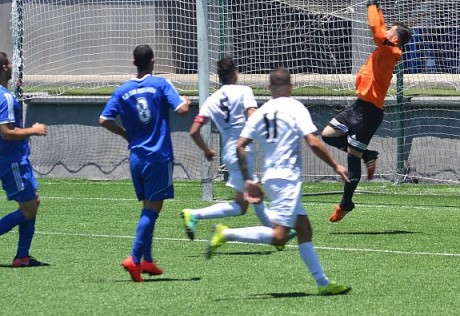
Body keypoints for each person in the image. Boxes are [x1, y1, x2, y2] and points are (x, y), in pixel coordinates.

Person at [205, 67, 352, 296]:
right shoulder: (295, 107)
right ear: (291, 86)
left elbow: (239, 145)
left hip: (272, 178)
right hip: (287, 179)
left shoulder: (262, 112)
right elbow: (313, 142)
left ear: (269, 87)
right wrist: (336, 165)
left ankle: (324, 283)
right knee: (279, 236)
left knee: (304, 229)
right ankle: (227, 233)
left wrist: (248, 180)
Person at [321, 0, 412, 222]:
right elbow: (379, 25)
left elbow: (375, 28)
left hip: (369, 113)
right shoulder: (387, 46)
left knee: (352, 158)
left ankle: (345, 203)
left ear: (395, 38)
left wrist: (372, 1)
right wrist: (377, 3)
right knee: (327, 135)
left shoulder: (392, 51)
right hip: (358, 106)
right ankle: (368, 154)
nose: (387, 29)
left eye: (391, 29)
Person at [99, 44, 190, 282]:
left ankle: (147, 261)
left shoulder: (122, 90)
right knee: (153, 209)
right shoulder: (160, 84)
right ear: (152, 61)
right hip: (158, 156)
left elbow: (103, 119)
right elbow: (181, 109)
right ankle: (134, 258)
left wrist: (124, 133)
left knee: (147, 208)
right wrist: (187, 102)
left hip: (136, 158)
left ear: (134, 63)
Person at [183, 56, 278, 240]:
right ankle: (279, 234)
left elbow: (194, 130)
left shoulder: (212, 99)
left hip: (228, 152)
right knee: (256, 196)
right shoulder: (244, 91)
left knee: (241, 206)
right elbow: (252, 115)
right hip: (243, 150)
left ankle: (195, 215)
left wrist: (207, 150)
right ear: (235, 73)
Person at [0, 52, 48, 267]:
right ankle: (21, 256)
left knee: (33, 202)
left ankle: (22, 256)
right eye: (9, 63)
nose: (12, 66)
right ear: (3, 68)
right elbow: (6, 132)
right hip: (13, 162)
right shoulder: (6, 98)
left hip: (14, 160)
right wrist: (33, 130)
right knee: (29, 209)